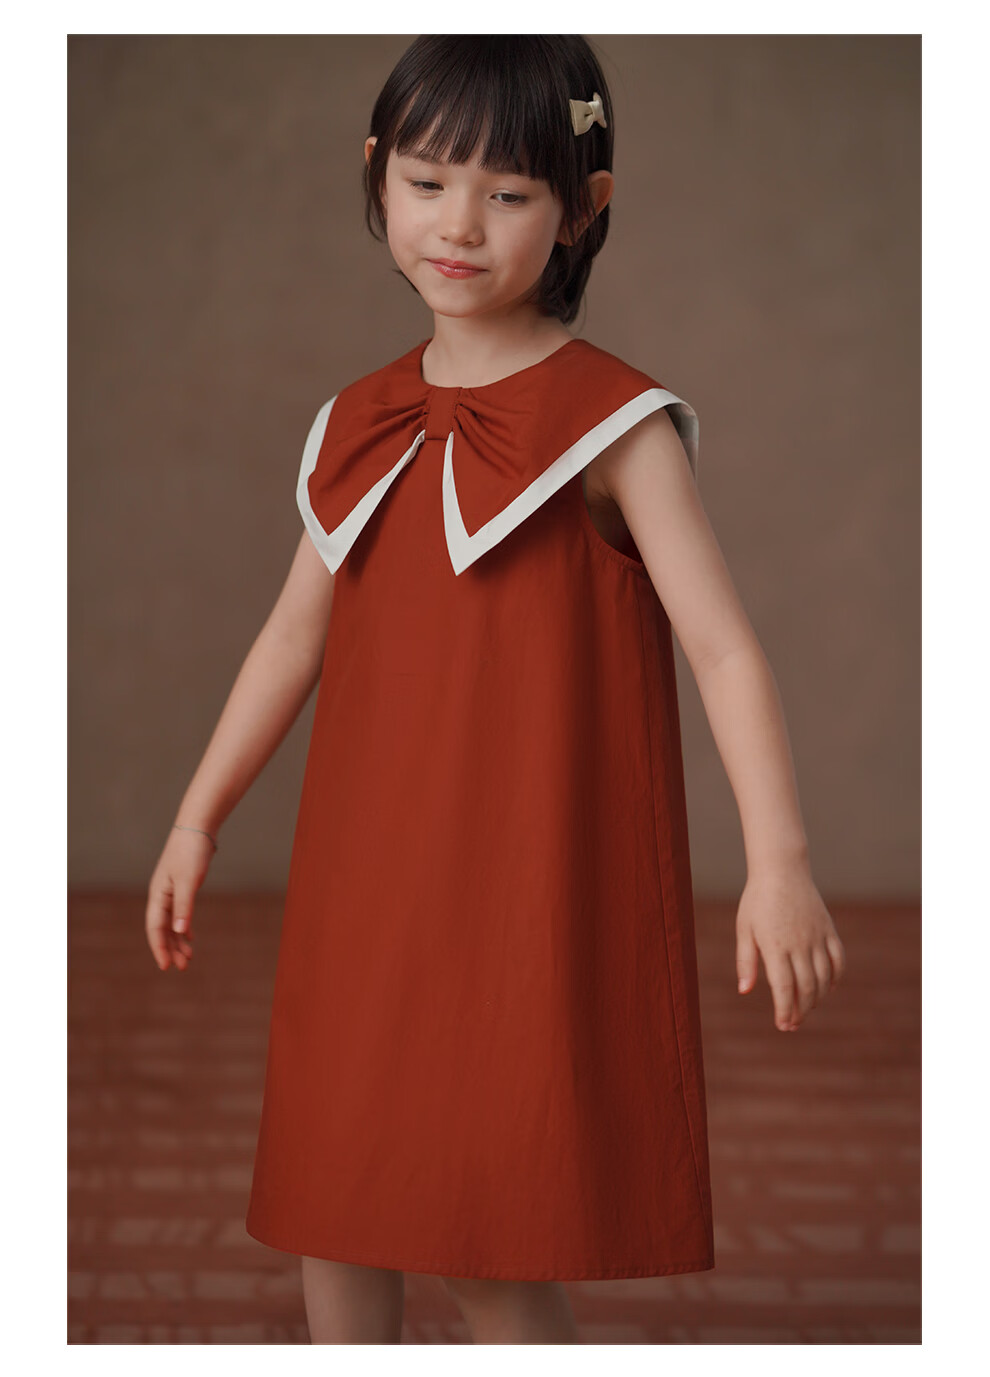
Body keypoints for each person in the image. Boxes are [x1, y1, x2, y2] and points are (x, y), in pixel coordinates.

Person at [145, 35, 846, 1345]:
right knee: (333, 1215)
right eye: (427, 182)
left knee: (488, 1237)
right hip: (363, 888)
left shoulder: (616, 425)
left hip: (516, 891)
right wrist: (197, 816)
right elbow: (292, 635)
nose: (458, 224)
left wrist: (779, 860)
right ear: (377, 176)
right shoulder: (355, 419)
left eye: (509, 193)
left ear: (583, 206)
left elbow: (723, 648)